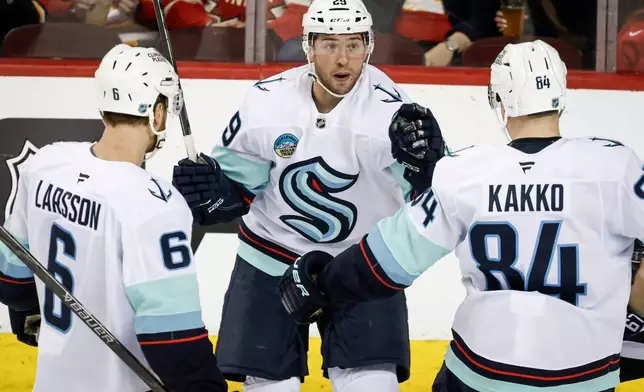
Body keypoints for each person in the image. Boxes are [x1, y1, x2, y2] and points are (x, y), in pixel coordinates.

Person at [279, 39, 641, 392]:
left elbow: (387, 262)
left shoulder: (466, 171)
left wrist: (323, 282)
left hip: (480, 373)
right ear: (562, 96)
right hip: (585, 376)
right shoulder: (614, 166)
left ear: (498, 100)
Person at [170, 0, 445, 390]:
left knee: (371, 385)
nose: (343, 58)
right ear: (307, 46)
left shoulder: (394, 116)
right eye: (330, 44)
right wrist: (217, 195)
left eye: (353, 44)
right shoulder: (267, 101)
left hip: (359, 264)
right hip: (271, 255)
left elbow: (433, 204)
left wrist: (426, 172)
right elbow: (237, 191)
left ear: (369, 45)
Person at [0, 44, 227, 392]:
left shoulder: (45, 163)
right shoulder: (157, 205)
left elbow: (13, 283)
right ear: (158, 112)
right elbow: (173, 341)